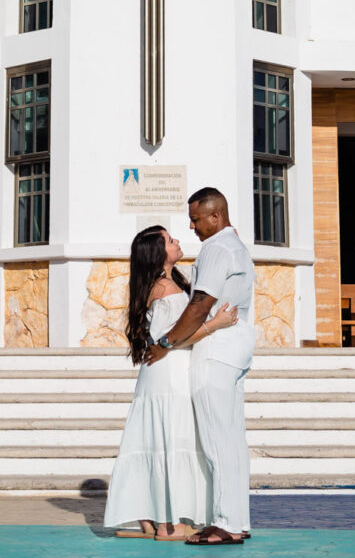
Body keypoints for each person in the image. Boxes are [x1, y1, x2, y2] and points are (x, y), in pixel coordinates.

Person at [104, 225, 238, 540]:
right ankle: (170, 523)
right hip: (170, 373)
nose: (176, 240)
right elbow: (172, 339)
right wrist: (215, 324)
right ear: (157, 252)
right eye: (169, 239)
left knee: (157, 440)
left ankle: (150, 519)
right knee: (173, 438)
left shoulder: (169, 281)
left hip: (166, 372)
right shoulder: (163, 288)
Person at [145, 187, 256, 546]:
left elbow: (199, 306)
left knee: (216, 440)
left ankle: (224, 524)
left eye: (195, 219)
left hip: (216, 351)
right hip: (236, 349)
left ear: (215, 216)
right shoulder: (236, 246)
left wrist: (165, 343)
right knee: (233, 439)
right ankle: (238, 520)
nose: (192, 227)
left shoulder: (217, 248)